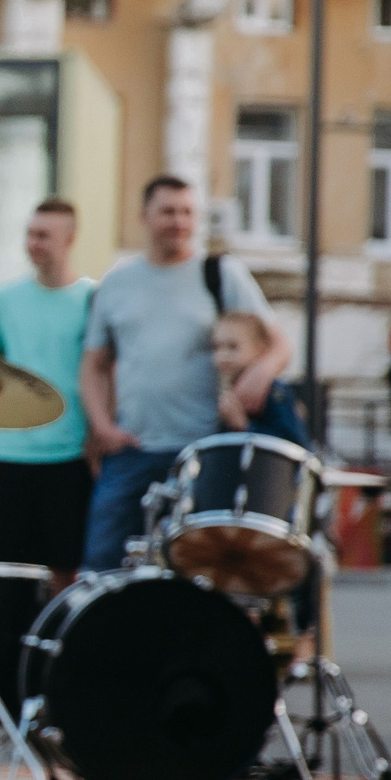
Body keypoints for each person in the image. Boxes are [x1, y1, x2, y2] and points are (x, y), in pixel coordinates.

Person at [80, 177, 285, 572]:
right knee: (102, 563)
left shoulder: (220, 274)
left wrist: (261, 373)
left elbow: (278, 344)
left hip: (205, 451)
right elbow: (94, 365)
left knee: (203, 570)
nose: (179, 221)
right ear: (144, 216)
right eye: (168, 211)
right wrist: (102, 426)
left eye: (187, 212)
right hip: (132, 449)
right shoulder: (117, 282)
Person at [0, 200, 94, 589]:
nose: (34, 244)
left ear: (70, 240)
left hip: (69, 455)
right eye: (30, 234)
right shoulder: (4, 299)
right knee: (5, 573)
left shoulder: (92, 299)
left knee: (65, 568)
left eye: (44, 235)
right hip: (8, 456)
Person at [213, 312, 311, 447]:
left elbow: (294, 444)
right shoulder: (228, 392)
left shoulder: (276, 393)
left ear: (260, 349)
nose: (223, 355)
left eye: (232, 347)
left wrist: (244, 426)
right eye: (217, 347)